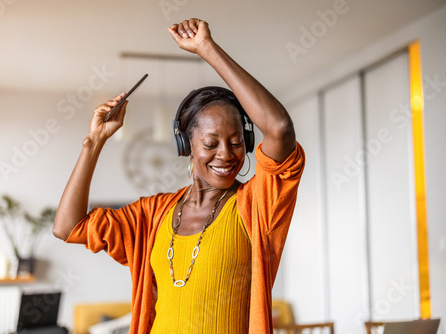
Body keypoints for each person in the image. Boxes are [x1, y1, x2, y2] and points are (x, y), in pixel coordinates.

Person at [53, 18, 305, 334]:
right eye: (211, 144)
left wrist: (206, 49)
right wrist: (93, 143)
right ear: (186, 145)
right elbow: (68, 227)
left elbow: (280, 129)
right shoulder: (152, 214)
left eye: (237, 142)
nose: (226, 155)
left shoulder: (257, 204)